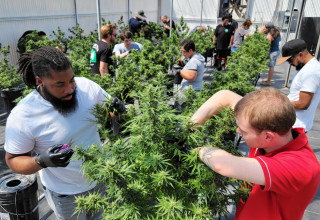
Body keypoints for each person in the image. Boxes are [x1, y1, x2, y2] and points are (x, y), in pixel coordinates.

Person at [4, 47, 126, 220]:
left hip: (99, 180)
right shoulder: (24, 114)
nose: (69, 89)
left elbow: (111, 111)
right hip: (66, 194)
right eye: (59, 84)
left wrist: (119, 110)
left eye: (71, 80)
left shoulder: (86, 86)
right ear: (40, 81)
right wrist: (41, 161)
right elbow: (13, 160)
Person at [191, 87, 320, 220]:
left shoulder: (298, 166)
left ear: (268, 137)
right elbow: (226, 96)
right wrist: (189, 127)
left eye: (244, 131)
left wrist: (194, 147)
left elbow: (222, 164)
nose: (238, 131)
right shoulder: (269, 123)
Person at [277, 39, 320, 132]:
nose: (289, 63)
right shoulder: (304, 67)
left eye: (290, 59)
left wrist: (278, 105)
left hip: (296, 126)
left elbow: (303, 104)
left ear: (300, 54)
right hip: (292, 122)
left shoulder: (311, 72)